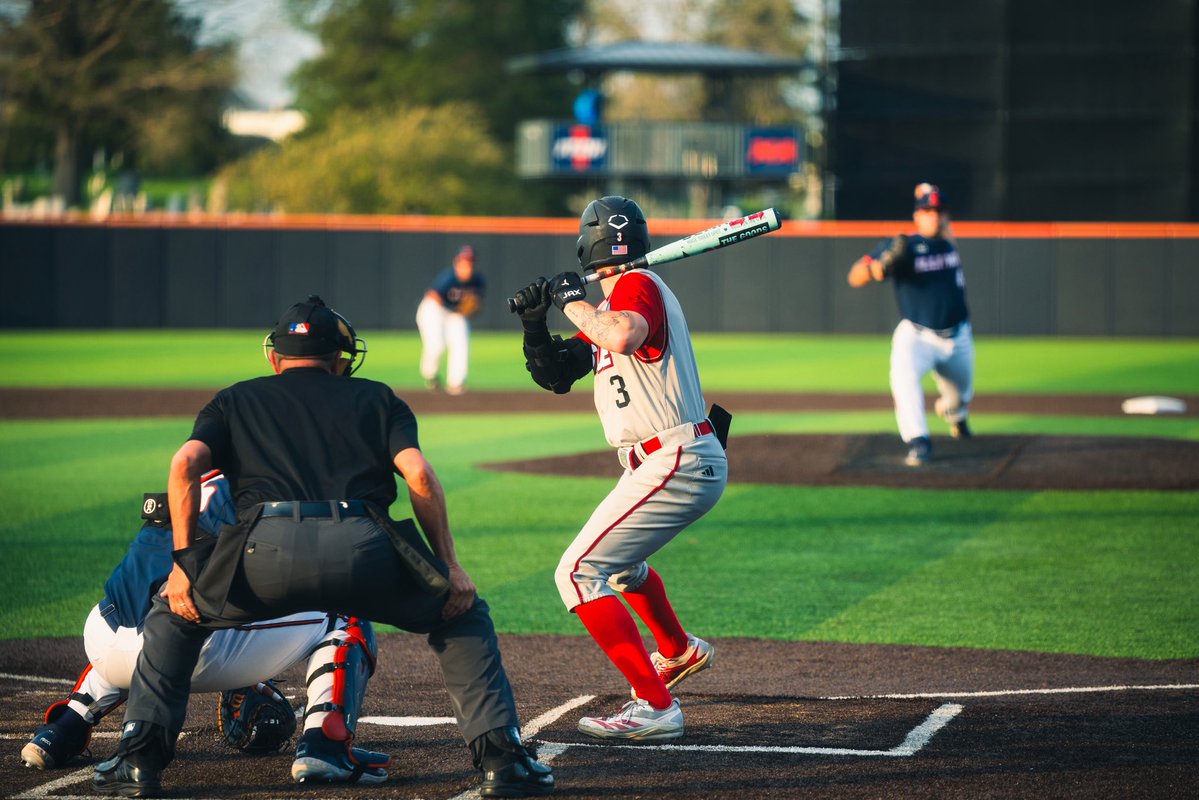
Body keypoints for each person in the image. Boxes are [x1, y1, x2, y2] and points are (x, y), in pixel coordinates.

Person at [91, 295, 551, 798]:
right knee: (460, 614)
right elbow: (418, 474)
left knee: (173, 617)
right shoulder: (377, 397)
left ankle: (140, 761)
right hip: (365, 546)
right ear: (339, 359)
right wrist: (450, 567)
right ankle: (502, 762)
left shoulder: (234, 398)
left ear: (275, 357)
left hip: (261, 550)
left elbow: (184, 466)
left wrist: (183, 566)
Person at [510, 196, 729, 742]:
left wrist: (568, 301)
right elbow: (558, 374)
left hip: (674, 457)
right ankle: (677, 651)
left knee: (577, 572)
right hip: (665, 460)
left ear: (587, 243)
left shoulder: (637, 289)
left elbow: (622, 334)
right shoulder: (619, 302)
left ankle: (656, 706)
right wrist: (537, 325)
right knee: (620, 568)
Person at [21, 472, 382, 780]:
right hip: (186, 654)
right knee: (345, 615)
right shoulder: (274, 487)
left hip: (100, 637)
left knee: (139, 624)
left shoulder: (202, 479)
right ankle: (325, 746)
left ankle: (64, 727)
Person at [847, 182, 975, 466]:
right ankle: (919, 440)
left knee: (960, 398)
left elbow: (942, 220)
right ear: (917, 215)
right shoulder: (904, 245)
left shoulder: (948, 240)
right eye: (927, 210)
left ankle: (955, 416)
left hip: (958, 337)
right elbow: (854, 276)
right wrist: (875, 269)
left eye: (939, 211)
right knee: (903, 379)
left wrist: (927, 191)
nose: (934, 216)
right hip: (917, 336)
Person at [416, 244, 485, 395]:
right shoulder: (449, 278)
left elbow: (476, 305)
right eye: (465, 262)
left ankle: (457, 383)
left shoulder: (478, 280)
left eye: (470, 262)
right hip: (434, 310)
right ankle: (430, 375)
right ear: (457, 262)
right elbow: (433, 296)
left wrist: (467, 309)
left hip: (455, 313)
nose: (467, 266)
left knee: (461, 344)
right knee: (436, 345)